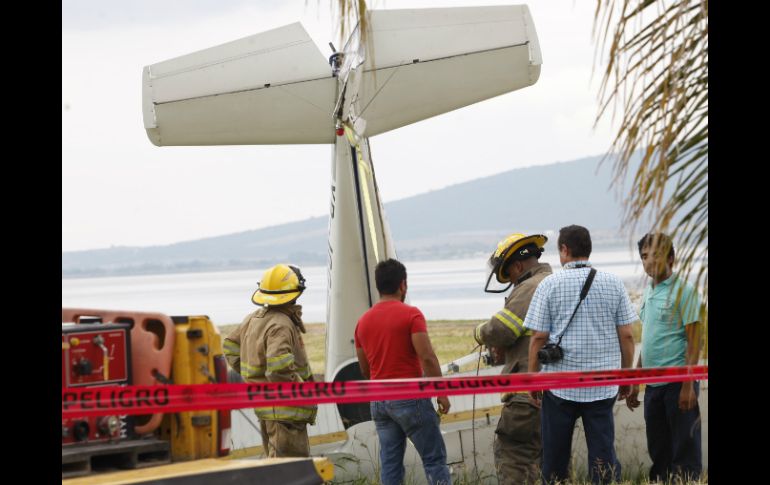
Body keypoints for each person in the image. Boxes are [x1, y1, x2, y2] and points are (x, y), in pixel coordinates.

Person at [524, 225, 637, 485]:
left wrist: (533, 378)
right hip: (602, 385)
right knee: (603, 456)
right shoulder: (613, 283)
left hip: (559, 386)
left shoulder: (549, 284)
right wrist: (626, 376)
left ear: (564, 249)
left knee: (555, 457)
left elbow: (538, 338)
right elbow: (627, 335)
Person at [354, 258, 451, 485]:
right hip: (410, 397)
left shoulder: (362, 322)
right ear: (403, 285)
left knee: (390, 464)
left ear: (378, 286)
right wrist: (441, 392)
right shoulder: (411, 315)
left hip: (379, 400)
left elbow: (365, 369)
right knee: (434, 459)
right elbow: (427, 357)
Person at [475, 233, 553, 485]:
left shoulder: (530, 287)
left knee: (512, 454)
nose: (510, 281)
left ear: (517, 266)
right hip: (555, 390)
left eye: (508, 274)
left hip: (525, 393)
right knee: (548, 459)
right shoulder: (554, 281)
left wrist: (479, 333)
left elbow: (502, 329)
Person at [626, 233, 703, 482]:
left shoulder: (685, 291)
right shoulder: (649, 291)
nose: (649, 261)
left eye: (656, 255)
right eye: (644, 256)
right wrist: (636, 381)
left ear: (671, 258)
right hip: (653, 386)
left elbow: (695, 340)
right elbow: (649, 340)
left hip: (678, 384)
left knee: (684, 450)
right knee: (659, 449)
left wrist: (688, 386)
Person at [223, 263, 317, 457]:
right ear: (296, 292)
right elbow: (278, 369)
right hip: (286, 412)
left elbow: (230, 346)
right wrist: (302, 391)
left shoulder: (254, 318)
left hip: (268, 409)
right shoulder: (281, 324)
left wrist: (253, 376)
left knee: (275, 465)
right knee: (289, 469)